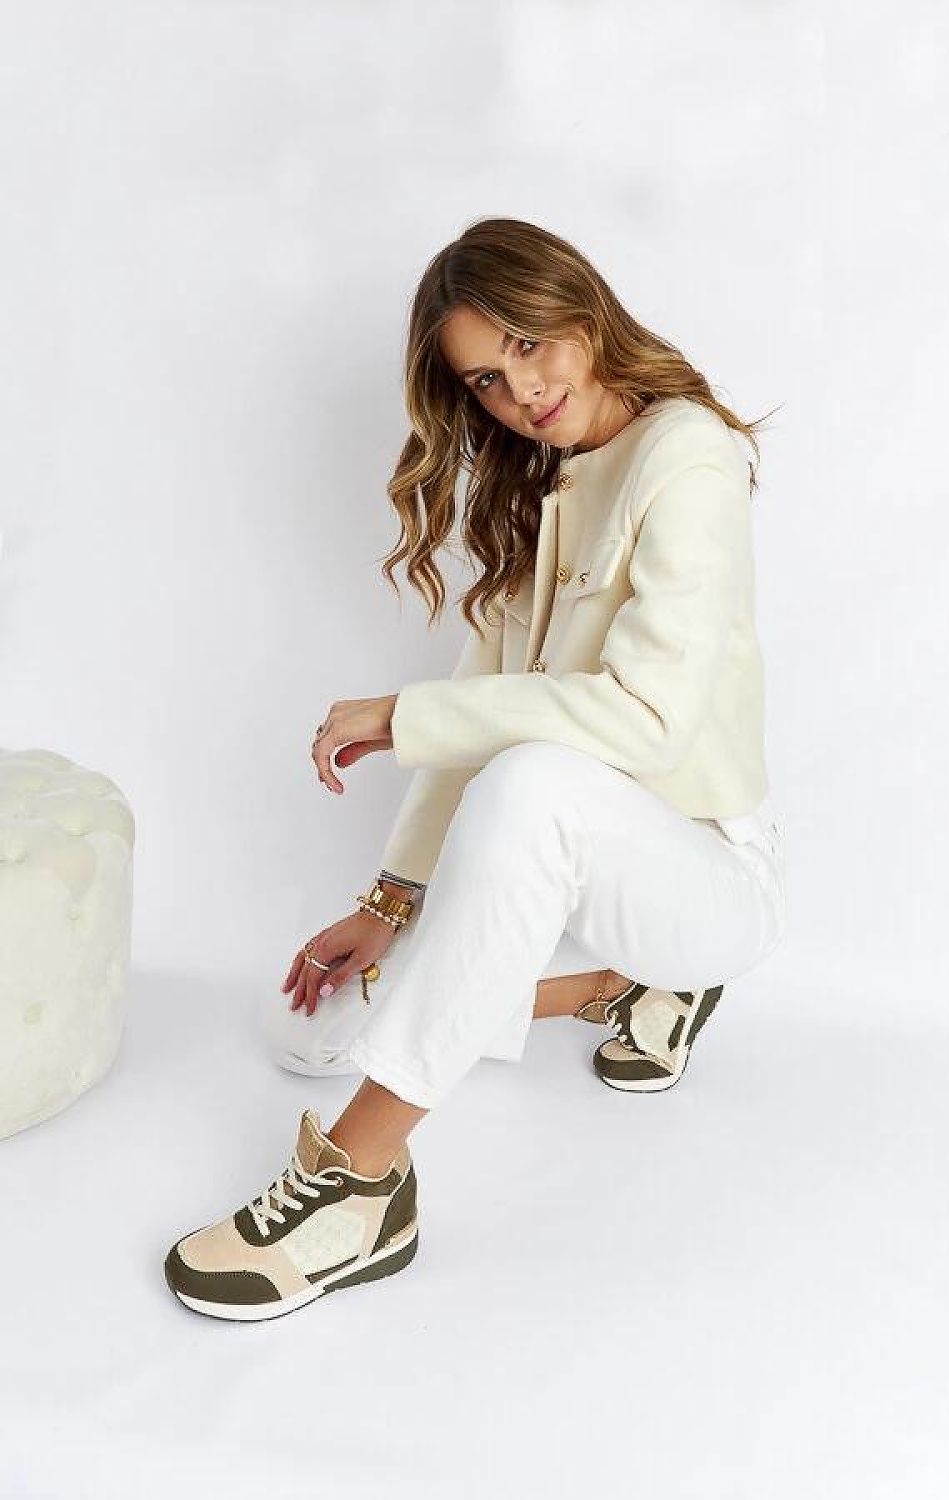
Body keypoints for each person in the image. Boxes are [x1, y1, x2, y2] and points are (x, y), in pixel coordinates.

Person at [163, 216, 787, 1322]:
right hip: (579, 888)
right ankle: (610, 989)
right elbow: (473, 738)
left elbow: (641, 723)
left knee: (530, 779)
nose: (521, 392)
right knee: (304, 1032)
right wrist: (387, 903)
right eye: (487, 381)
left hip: (701, 878)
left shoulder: (685, 454)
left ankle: (357, 1188)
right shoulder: (539, 493)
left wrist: (407, 714)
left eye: (529, 345)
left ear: (580, 312)